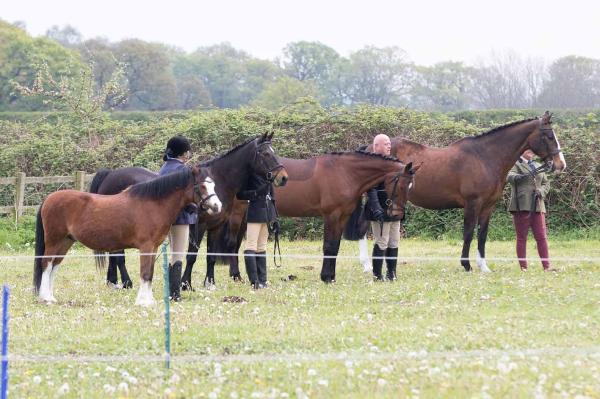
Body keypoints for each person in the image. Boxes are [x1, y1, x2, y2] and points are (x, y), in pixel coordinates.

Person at [159, 135, 197, 301]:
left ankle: (170, 291)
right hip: (181, 217)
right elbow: (188, 196)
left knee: (171, 253)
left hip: (165, 218)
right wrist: (194, 208)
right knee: (178, 254)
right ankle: (174, 294)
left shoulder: (163, 168)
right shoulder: (184, 170)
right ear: (184, 153)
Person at [507, 149, 555, 272]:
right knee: (522, 237)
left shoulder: (539, 165)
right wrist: (522, 176)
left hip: (538, 205)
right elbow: (510, 177)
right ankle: (523, 267)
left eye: (532, 150)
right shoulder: (515, 164)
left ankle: (547, 266)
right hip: (521, 205)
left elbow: (546, 183)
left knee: (541, 237)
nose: (531, 152)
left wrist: (541, 191)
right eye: (527, 150)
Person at [365, 134, 401, 281]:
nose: (389, 145)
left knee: (394, 241)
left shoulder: (394, 162)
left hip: (395, 208)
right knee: (382, 241)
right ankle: (377, 275)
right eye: (385, 143)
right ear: (376, 146)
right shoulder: (372, 165)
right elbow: (371, 189)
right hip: (379, 208)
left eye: (389, 143)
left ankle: (391, 273)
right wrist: (376, 208)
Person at [237, 173, 277, 289]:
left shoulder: (268, 177)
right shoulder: (250, 177)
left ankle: (262, 281)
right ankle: (254, 281)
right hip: (254, 213)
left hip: (266, 215)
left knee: (262, 247)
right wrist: (255, 193)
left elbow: (272, 199)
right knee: (251, 245)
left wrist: (274, 218)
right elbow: (240, 194)